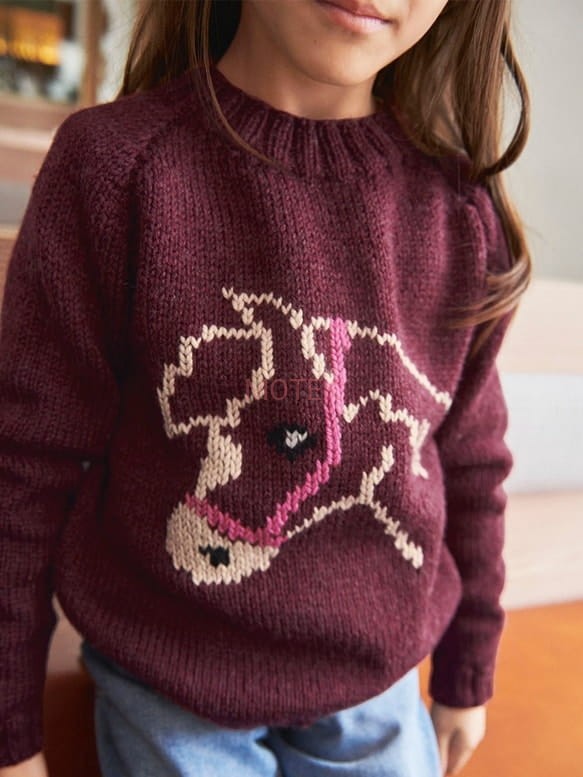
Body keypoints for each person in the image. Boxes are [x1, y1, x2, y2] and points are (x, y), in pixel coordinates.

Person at [0, 0, 532, 775]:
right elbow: (25, 461)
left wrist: (468, 664)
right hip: (166, 679)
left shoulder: (460, 215)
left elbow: (472, 461)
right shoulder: (115, 167)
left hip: (375, 686)